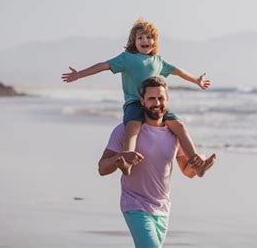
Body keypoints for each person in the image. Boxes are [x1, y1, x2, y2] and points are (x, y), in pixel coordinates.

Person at [62, 18, 215, 177]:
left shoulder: (158, 61)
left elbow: (178, 71)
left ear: (154, 42)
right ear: (133, 41)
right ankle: (127, 160)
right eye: (140, 37)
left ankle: (197, 163)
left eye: (149, 37)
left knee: (179, 126)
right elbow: (103, 65)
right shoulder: (127, 58)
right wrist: (80, 74)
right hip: (134, 103)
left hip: (155, 104)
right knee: (133, 126)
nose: (145, 41)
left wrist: (196, 80)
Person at [98, 76, 216, 248]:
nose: (157, 103)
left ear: (167, 99)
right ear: (142, 101)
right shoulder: (124, 130)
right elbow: (102, 168)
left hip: (162, 208)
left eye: (161, 98)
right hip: (135, 204)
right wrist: (119, 159)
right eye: (151, 98)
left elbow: (187, 172)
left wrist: (199, 162)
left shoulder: (174, 133)